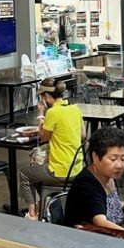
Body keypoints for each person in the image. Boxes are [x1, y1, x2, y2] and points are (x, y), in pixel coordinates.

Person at [20, 78, 83, 220]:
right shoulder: (75, 109)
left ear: (47, 96)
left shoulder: (53, 112)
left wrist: (41, 114)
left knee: (25, 174)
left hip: (60, 170)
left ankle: (32, 214)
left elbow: (43, 137)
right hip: (77, 168)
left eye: (42, 97)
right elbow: (83, 135)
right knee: (36, 172)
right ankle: (47, 207)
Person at [63, 127, 124, 230]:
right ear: (95, 157)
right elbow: (100, 222)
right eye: (113, 159)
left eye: (123, 159)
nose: (119, 165)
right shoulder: (86, 183)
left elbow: (106, 204)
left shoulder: (108, 174)